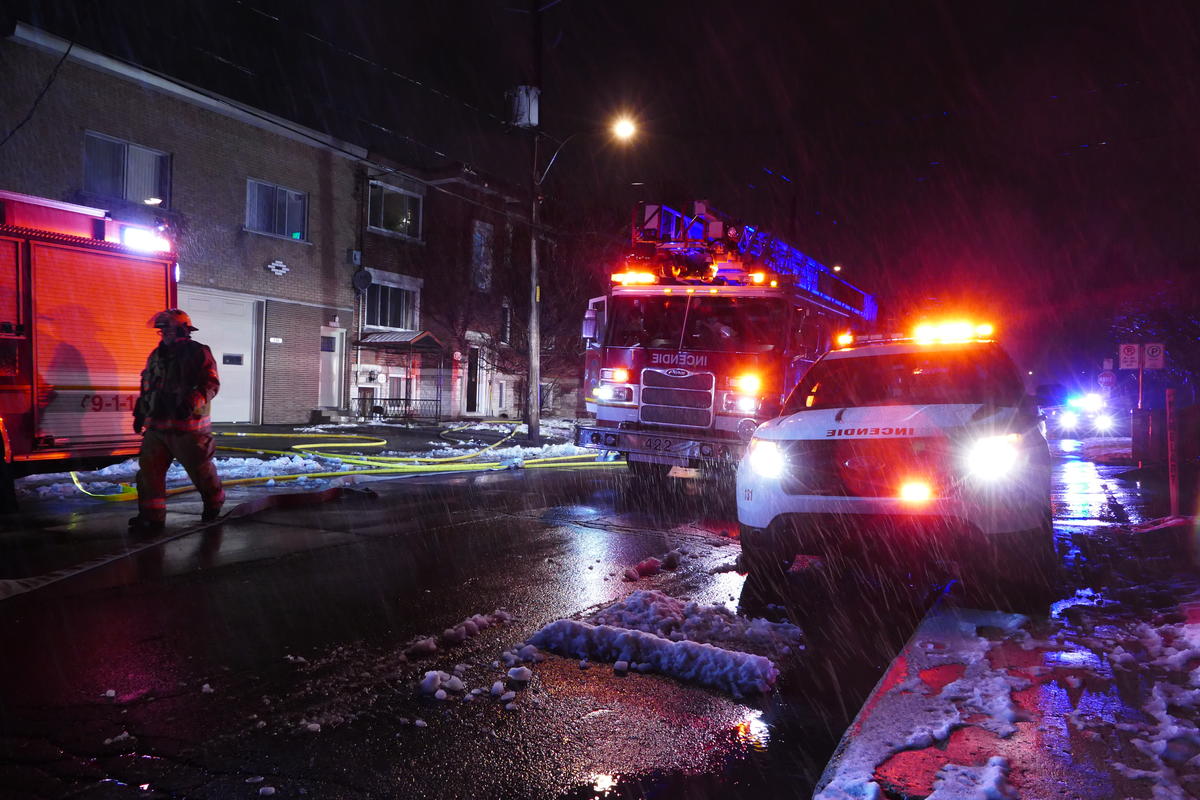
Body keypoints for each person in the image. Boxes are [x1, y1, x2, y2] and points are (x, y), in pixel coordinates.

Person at [128, 309, 224, 534]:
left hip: (187, 429)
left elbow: (210, 384)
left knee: (200, 470)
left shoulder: (198, 352)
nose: (163, 334)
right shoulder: (156, 355)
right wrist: (140, 413)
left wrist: (190, 403)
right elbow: (148, 386)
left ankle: (214, 502)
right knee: (148, 473)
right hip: (157, 428)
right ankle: (152, 518)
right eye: (160, 331)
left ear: (182, 329)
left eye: (167, 329)